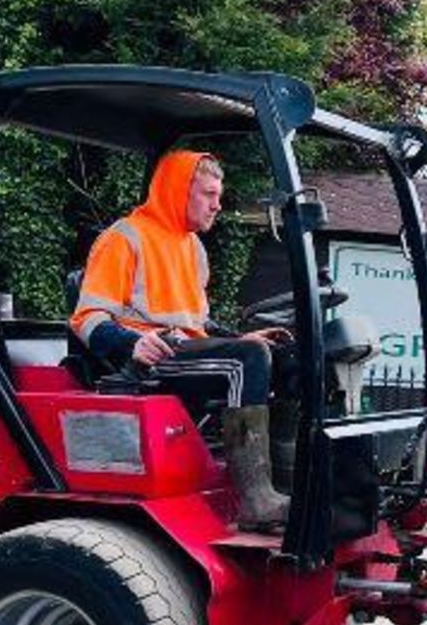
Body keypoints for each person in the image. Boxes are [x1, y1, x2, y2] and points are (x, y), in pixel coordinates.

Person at [70, 150, 290, 530]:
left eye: (218, 196)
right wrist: (131, 344)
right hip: (145, 360)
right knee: (246, 360)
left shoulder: (193, 248)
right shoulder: (124, 238)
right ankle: (255, 498)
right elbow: (86, 319)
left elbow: (196, 322)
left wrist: (241, 338)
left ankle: (289, 481)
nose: (217, 205)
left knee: (284, 355)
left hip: (183, 351)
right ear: (178, 191)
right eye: (209, 194)